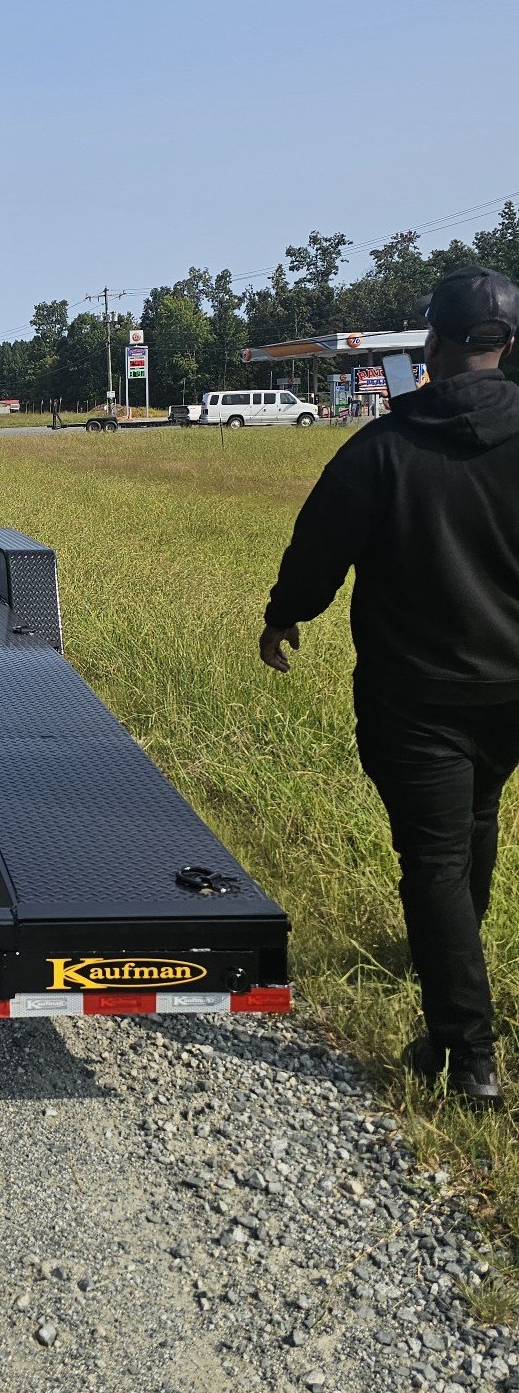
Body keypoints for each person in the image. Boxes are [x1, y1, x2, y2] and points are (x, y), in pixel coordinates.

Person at [260, 268, 519, 1111]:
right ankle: (458, 969)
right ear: (504, 346)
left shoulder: (383, 449)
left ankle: (467, 1057)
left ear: (432, 346)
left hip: (418, 700)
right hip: (511, 694)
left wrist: (284, 617)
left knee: (435, 859)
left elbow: (318, 548)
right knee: (476, 822)